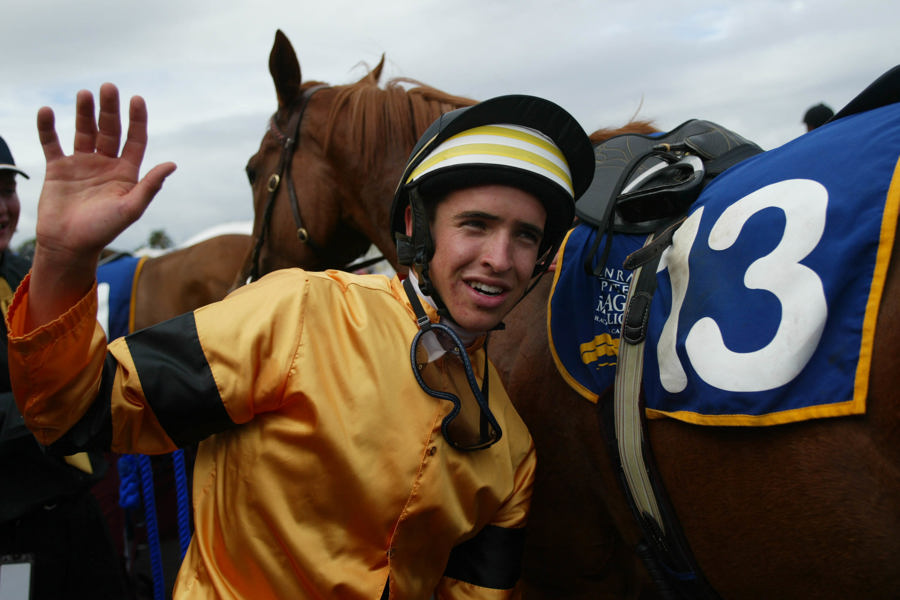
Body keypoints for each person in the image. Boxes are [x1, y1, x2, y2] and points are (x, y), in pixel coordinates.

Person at [7, 83, 594, 598]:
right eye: (476, 224)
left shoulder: (514, 452)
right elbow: (76, 411)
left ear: (543, 258)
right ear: (416, 226)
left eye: (525, 236)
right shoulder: (294, 314)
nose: (499, 258)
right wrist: (63, 260)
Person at [0, 135, 126, 598]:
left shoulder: (31, 276)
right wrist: (61, 407)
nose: (3, 208)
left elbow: (81, 361)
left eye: (7, 191)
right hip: (10, 534)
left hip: (77, 514)